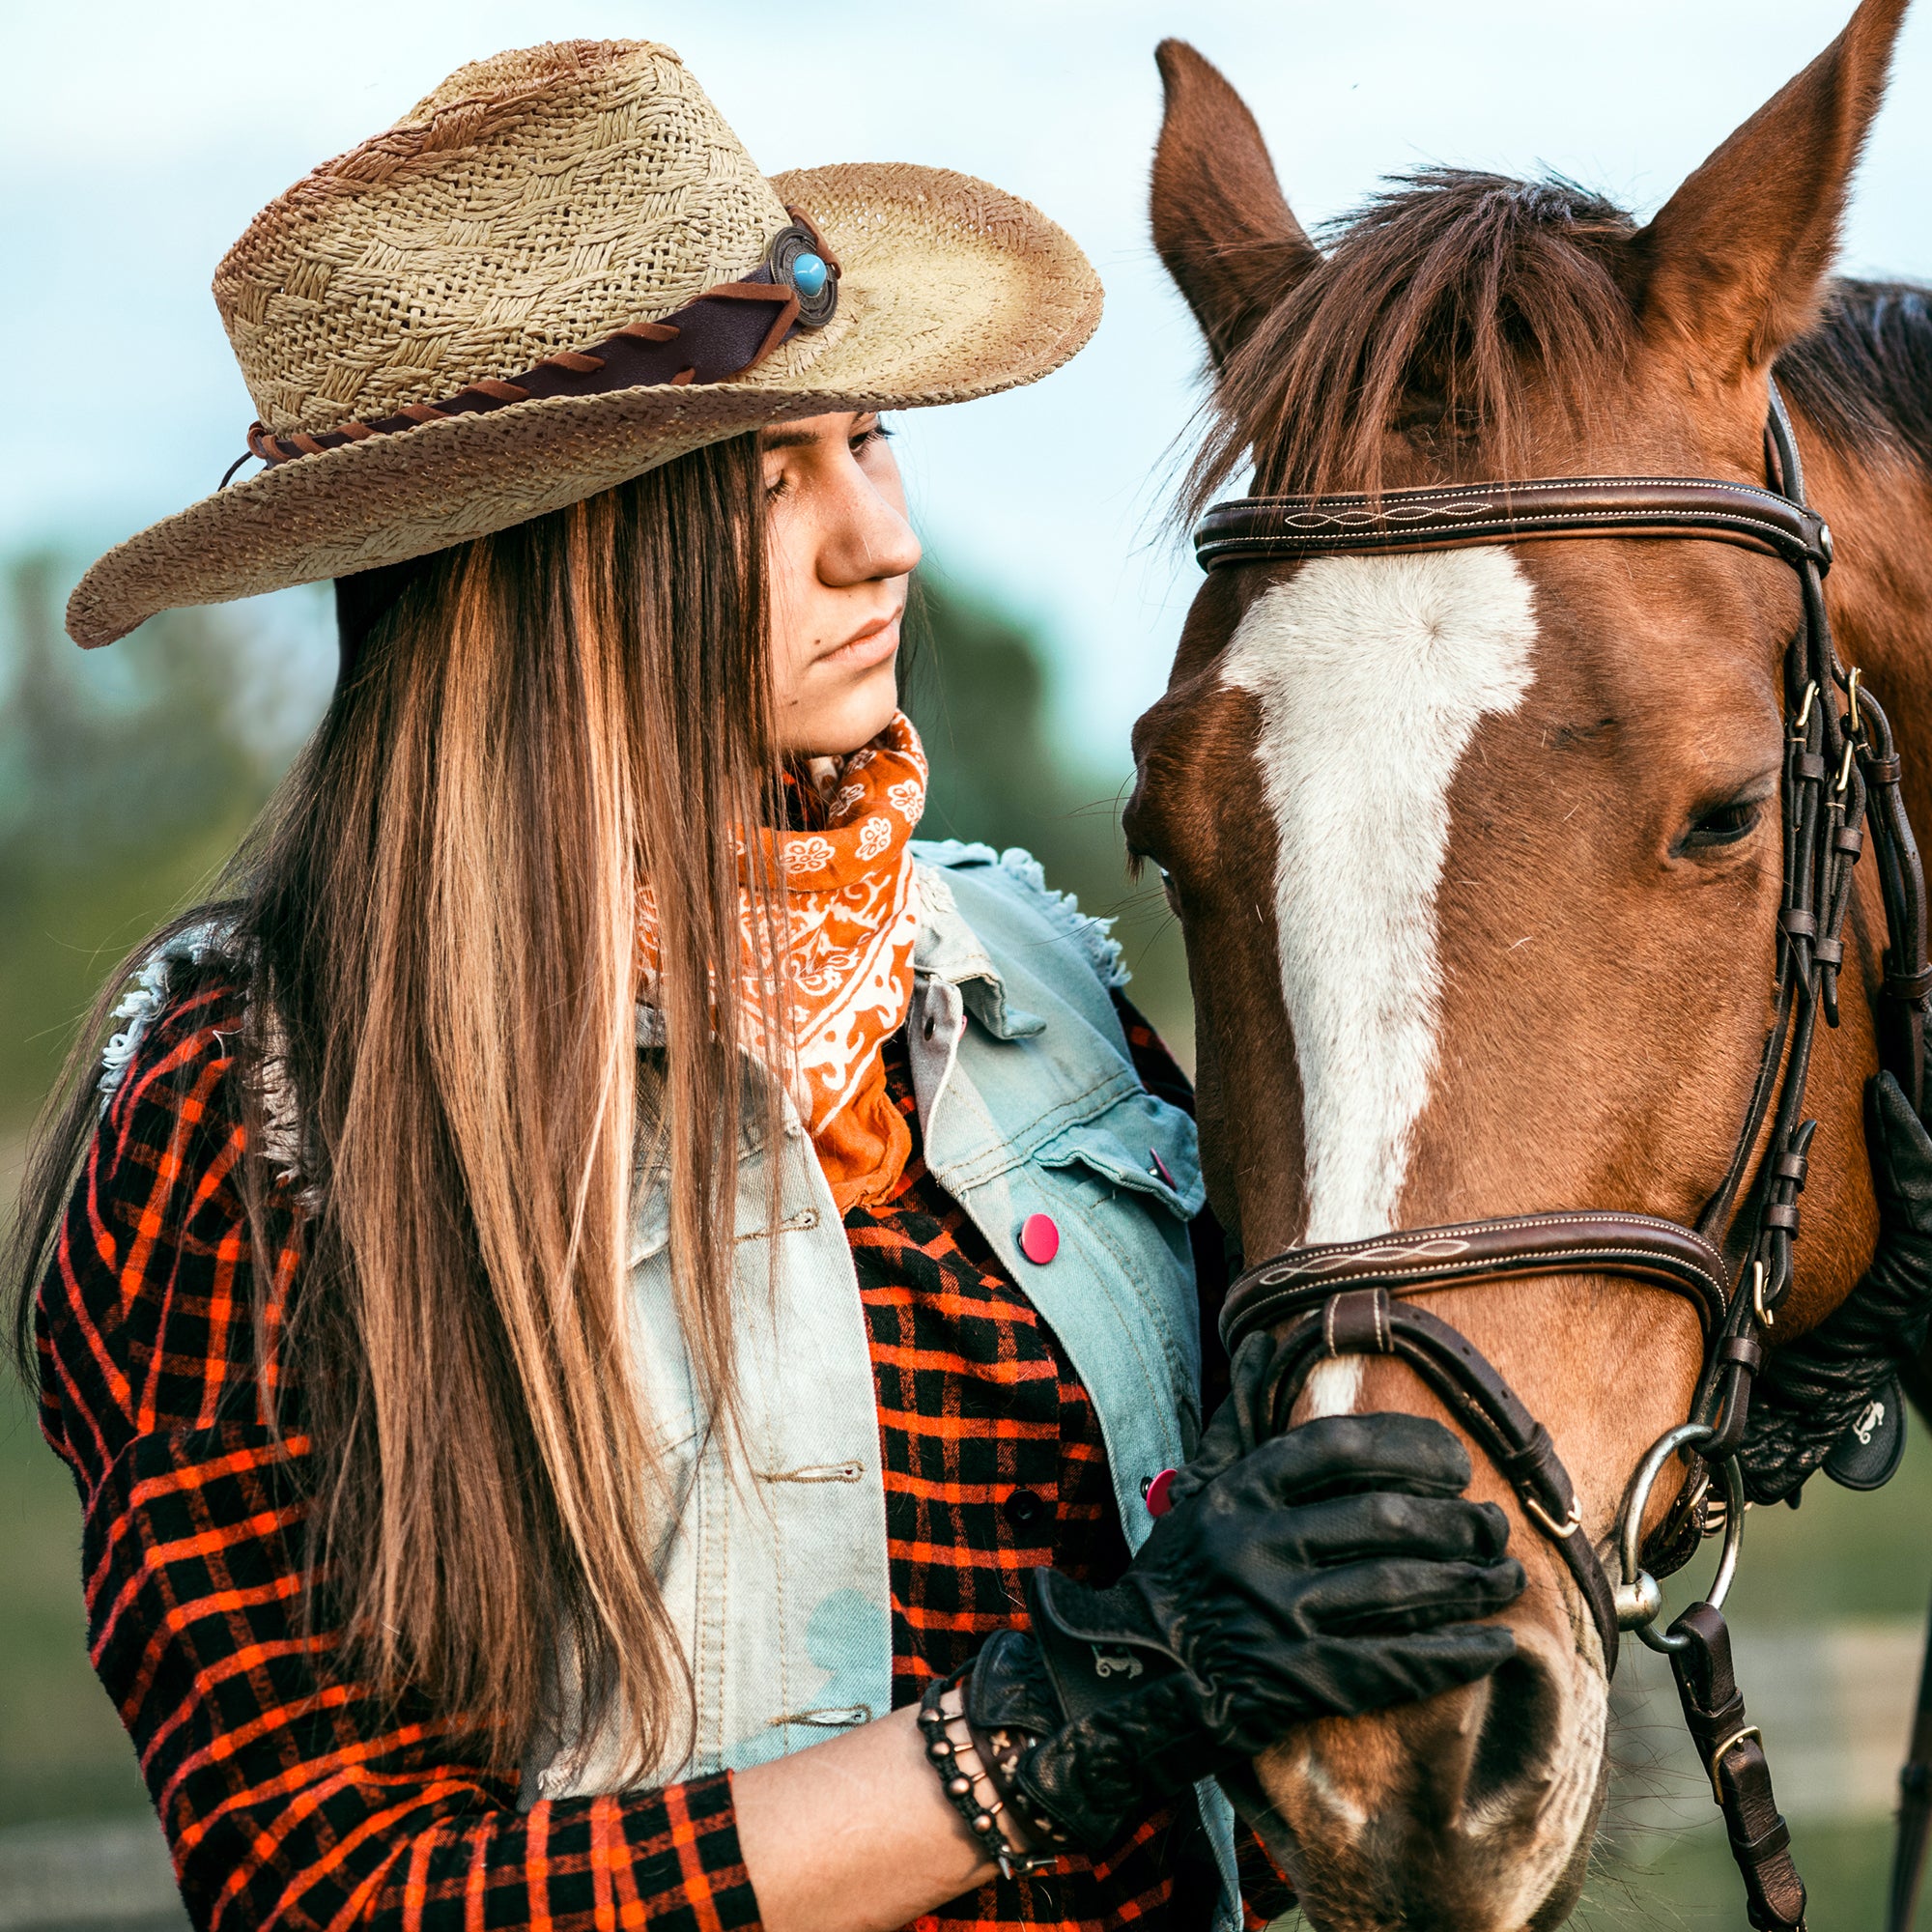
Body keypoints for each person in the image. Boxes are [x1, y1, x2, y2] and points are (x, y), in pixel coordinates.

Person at [9, 41, 1524, 1932]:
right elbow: (337, 1891)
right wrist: (1067, 1722)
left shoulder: (1038, 992)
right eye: (766, 472)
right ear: (549, 561)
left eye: (869, 442)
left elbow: (1344, 1674)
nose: (878, 535)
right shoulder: (259, 1122)